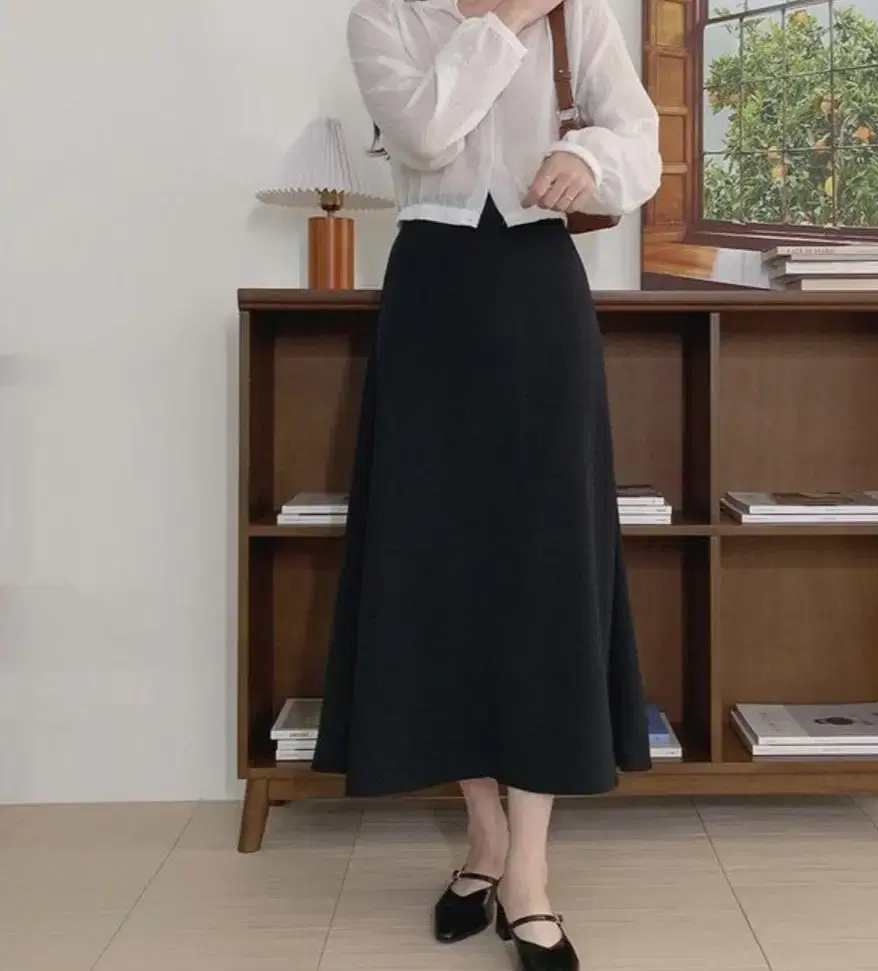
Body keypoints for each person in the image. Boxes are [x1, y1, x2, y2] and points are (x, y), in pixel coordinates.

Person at [311, 0, 661, 968]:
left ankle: (528, 873)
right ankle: (485, 834)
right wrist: (506, 17)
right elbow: (425, 134)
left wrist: (588, 157)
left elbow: (641, 142)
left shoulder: (580, 14)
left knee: (546, 572)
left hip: (540, 295)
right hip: (431, 297)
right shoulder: (382, 18)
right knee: (436, 569)